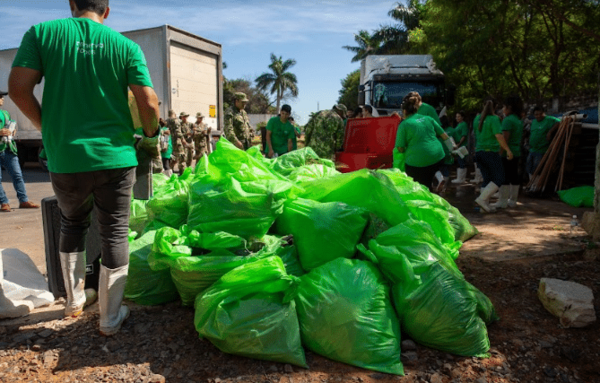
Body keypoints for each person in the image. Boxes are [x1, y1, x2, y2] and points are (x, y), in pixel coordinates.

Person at [9, 0, 160, 335]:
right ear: (107, 11)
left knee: (72, 223)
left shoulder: (42, 34)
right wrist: (151, 133)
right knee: (115, 230)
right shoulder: (125, 46)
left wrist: (50, 129)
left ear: (72, 4)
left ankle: (74, 301)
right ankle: (110, 316)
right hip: (115, 157)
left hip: (67, 158)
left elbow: (18, 89)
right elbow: (148, 102)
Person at [395, 93, 455, 191]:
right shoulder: (428, 118)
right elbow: (444, 136)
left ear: (404, 111)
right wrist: (453, 148)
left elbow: (400, 148)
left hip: (417, 162)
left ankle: (427, 189)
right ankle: (436, 177)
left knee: (418, 183)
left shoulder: (404, 124)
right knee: (431, 170)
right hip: (438, 155)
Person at [0, 91, 40, 212]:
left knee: (17, 175)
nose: (2, 99)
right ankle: (4, 203)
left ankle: (24, 200)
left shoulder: (5, 113)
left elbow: (13, 128)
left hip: (8, 148)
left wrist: (12, 132)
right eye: (0, 97)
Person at [473, 100, 513, 212]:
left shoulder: (477, 118)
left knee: (487, 179)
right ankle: (481, 199)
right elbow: (499, 136)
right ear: (495, 107)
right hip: (490, 152)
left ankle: (483, 207)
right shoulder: (494, 119)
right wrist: (508, 150)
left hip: (479, 152)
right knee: (499, 178)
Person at [494, 95, 523, 209]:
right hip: (516, 151)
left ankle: (503, 201)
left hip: (507, 152)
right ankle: (513, 200)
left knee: (504, 176)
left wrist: (500, 152)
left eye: (504, 106)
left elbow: (505, 139)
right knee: (514, 176)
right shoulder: (518, 120)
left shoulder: (508, 120)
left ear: (509, 107)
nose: (502, 109)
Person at [527, 106, 560, 180]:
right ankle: (531, 184)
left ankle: (536, 185)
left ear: (544, 113)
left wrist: (550, 132)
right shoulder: (534, 121)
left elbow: (559, 122)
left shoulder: (549, 119)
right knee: (529, 167)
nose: (538, 116)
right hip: (532, 149)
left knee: (538, 168)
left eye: (540, 114)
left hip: (541, 150)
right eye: (536, 114)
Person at [450, 111, 469, 184]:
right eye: (456, 116)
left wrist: (459, 144)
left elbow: (464, 135)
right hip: (458, 145)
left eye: (459, 116)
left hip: (462, 145)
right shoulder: (459, 124)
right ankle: (460, 178)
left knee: (462, 161)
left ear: (462, 117)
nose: (457, 118)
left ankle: (461, 178)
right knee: (460, 160)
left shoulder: (464, 124)